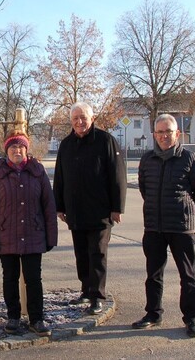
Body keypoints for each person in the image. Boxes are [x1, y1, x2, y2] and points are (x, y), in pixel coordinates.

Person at [133, 113, 195, 338]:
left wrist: (188, 212)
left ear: (177, 134)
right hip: (154, 227)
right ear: (154, 135)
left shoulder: (190, 159)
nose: (164, 136)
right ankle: (153, 313)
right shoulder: (147, 159)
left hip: (181, 228)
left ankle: (191, 319)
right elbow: (144, 189)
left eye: (168, 132)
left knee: (188, 275)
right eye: (160, 132)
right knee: (153, 274)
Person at [0, 129, 57, 336]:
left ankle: (37, 319)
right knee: (10, 278)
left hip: (33, 234)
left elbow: (49, 205)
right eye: (13, 147)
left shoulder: (37, 171)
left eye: (21, 146)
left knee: (34, 279)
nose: (17, 150)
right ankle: (13, 317)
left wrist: (51, 236)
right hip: (6, 234)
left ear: (26, 149)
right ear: (7, 150)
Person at [53, 102, 126, 315]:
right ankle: (86, 289)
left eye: (83, 117)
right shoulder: (66, 144)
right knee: (81, 254)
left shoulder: (105, 141)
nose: (79, 122)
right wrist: (59, 206)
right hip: (75, 211)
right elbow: (60, 177)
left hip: (100, 211)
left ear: (92, 118)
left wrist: (117, 207)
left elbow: (118, 176)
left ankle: (97, 296)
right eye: (75, 118)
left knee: (97, 254)